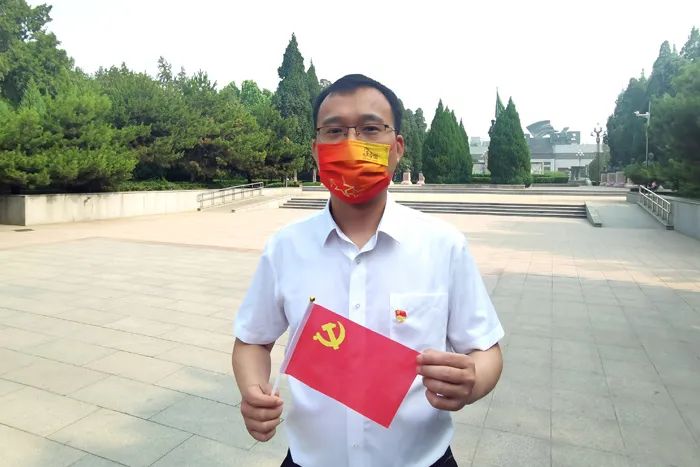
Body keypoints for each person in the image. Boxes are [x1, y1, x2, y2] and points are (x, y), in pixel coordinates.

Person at [232, 74, 504, 467]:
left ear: (397, 147)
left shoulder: (443, 245)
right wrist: (253, 390)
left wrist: (472, 379)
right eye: (334, 131)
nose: (351, 143)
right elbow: (252, 341)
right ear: (316, 149)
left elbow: (486, 349)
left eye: (370, 129)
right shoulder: (285, 248)